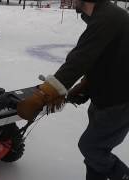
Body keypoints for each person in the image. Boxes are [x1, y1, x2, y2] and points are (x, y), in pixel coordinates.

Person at [15, 0, 129, 179]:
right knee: (95, 154)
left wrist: (44, 95)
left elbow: (79, 60)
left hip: (118, 102)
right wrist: (87, 86)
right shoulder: (103, 15)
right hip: (106, 97)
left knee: (91, 148)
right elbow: (108, 59)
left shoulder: (107, 18)